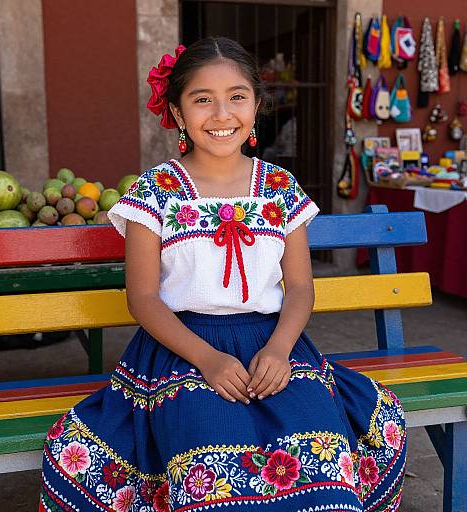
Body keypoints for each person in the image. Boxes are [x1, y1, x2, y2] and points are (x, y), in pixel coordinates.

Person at [39, 37, 406, 512]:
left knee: (326, 470)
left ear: (256, 105)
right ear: (176, 111)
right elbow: (143, 299)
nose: (221, 113)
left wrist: (279, 349)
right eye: (202, 99)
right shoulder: (156, 191)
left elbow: (299, 286)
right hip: (181, 352)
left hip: (275, 346)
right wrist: (208, 360)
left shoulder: (278, 187)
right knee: (210, 476)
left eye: (237, 96)